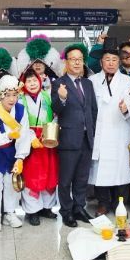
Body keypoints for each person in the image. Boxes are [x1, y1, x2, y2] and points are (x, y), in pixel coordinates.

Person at [52, 43, 98, 227]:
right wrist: (62, 97)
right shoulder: (58, 83)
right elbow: (56, 109)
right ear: (67, 62)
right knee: (65, 180)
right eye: (73, 59)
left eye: (80, 59)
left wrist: (92, 132)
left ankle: (79, 208)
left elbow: (93, 110)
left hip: (87, 139)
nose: (77, 63)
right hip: (68, 139)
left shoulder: (87, 83)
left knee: (82, 178)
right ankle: (66, 211)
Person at [88, 38, 130, 216]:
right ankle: (103, 203)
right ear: (101, 62)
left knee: (120, 168)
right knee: (100, 170)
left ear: (119, 62)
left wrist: (125, 107)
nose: (111, 63)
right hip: (100, 132)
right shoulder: (92, 81)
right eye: (107, 59)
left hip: (119, 130)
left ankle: (119, 203)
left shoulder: (127, 81)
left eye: (114, 59)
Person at [0, 75, 32, 231]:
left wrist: (20, 157)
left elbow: (24, 135)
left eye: (15, 95)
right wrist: (8, 136)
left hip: (13, 152)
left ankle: (9, 213)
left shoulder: (21, 110)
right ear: (0, 95)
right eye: (8, 95)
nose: (12, 99)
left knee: (11, 183)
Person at [19, 68, 60, 225]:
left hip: (48, 139)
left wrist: (51, 129)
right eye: (28, 81)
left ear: (40, 81)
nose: (32, 84)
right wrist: (31, 137)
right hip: (30, 141)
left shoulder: (47, 96)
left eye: (34, 80)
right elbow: (20, 123)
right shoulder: (21, 100)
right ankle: (32, 210)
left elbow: (56, 115)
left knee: (50, 172)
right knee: (32, 175)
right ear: (24, 84)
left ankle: (47, 207)